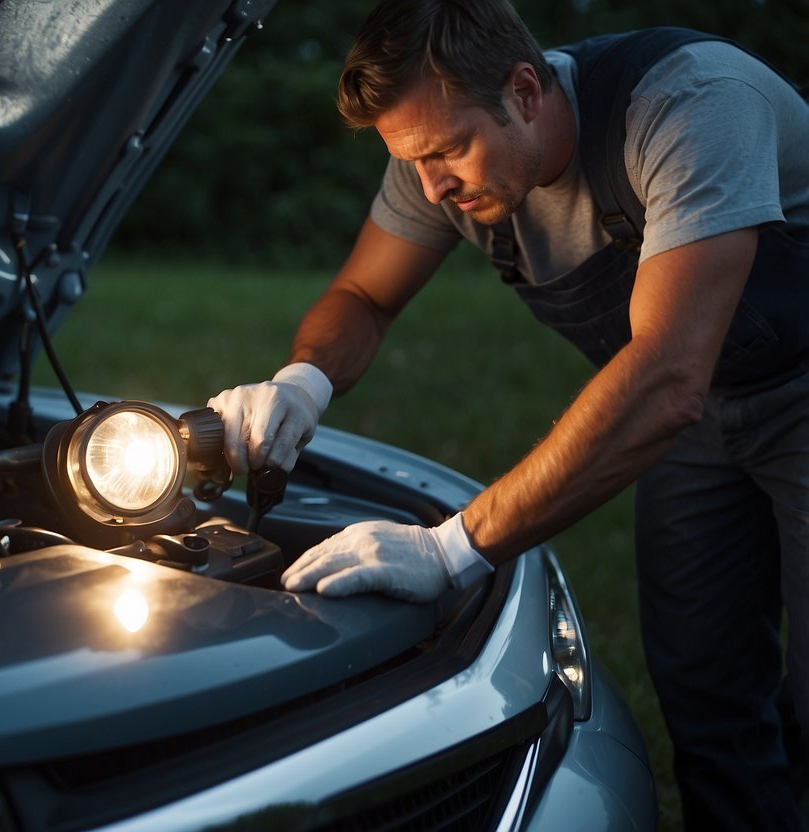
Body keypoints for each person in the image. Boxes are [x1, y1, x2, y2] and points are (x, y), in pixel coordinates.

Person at [206, 0, 809, 828]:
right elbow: (362, 296)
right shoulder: (441, 154)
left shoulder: (687, 106)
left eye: (446, 152)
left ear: (525, 90)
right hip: (698, 417)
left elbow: (667, 374)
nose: (430, 187)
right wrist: (300, 380)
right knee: (706, 699)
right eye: (410, 161)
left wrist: (452, 548)